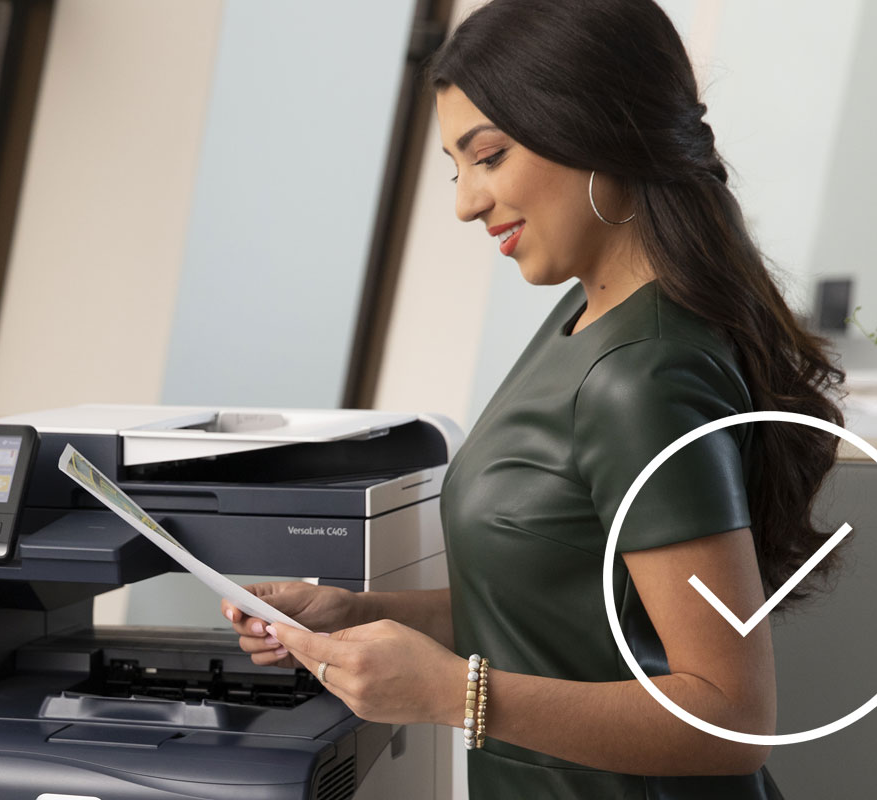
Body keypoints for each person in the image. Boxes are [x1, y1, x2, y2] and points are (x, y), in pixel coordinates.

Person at [222, 0, 844, 796]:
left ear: (596, 128)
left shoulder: (640, 376)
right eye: (458, 169)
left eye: (489, 157)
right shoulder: (582, 320)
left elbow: (731, 716)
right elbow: (555, 607)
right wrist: (355, 612)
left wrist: (452, 692)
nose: (466, 202)